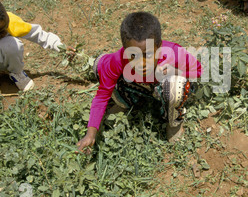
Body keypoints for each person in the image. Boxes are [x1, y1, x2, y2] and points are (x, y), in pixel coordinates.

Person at [76, 11, 202, 152]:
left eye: (148, 54)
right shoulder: (118, 60)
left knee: (176, 85)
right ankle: (124, 102)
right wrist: (90, 134)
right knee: (100, 68)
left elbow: (198, 72)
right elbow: (101, 96)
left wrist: (174, 71)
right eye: (133, 55)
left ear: (159, 47)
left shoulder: (174, 53)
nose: (141, 63)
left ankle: (173, 123)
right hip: (134, 84)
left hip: (159, 85)